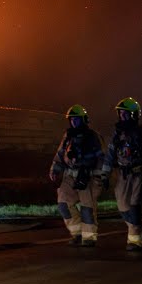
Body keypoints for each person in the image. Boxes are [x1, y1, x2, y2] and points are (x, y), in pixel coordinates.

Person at [49, 105, 110, 247]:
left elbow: (102, 157)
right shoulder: (68, 136)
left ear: (84, 119)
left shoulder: (93, 136)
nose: (73, 122)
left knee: (87, 208)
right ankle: (77, 233)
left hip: (88, 177)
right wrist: (55, 170)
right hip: (70, 176)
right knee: (63, 204)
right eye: (71, 119)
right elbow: (60, 154)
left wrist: (101, 176)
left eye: (76, 119)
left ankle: (89, 237)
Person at [108, 97, 142, 252]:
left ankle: (135, 241)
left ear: (134, 114)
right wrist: (104, 174)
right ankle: (139, 225)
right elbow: (110, 155)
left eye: (125, 113)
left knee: (135, 206)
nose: (122, 116)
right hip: (123, 176)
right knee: (123, 208)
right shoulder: (118, 134)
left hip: (140, 175)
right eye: (120, 113)